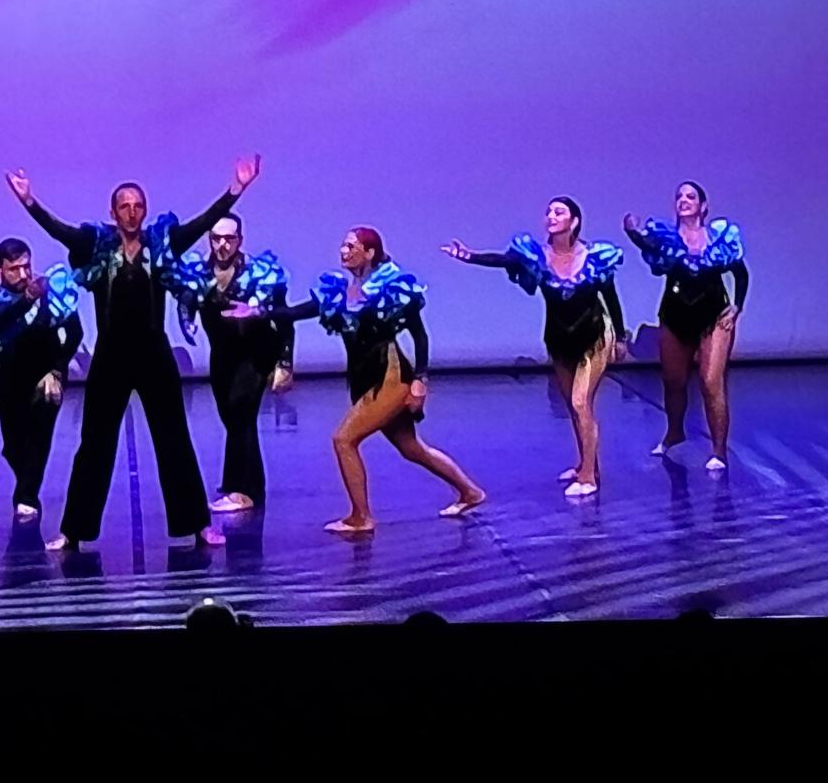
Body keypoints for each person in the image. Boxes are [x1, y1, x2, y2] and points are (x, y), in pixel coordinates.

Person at [7, 156, 263, 551]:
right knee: (94, 443)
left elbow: (199, 223)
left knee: (174, 438)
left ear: (145, 211)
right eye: (124, 206)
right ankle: (74, 531)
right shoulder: (95, 246)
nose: (131, 212)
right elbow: (59, 232)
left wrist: (236, 189)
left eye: (138, 206)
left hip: (154, 354)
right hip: (110, 357)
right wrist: (29, 202)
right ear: (112, 212)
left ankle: (197, 526)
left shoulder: (161, 243)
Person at [226, 226, 484, 533]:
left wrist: (420, 380)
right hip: (363, 378)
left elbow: (419, 335)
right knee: (412, 448)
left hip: (389, 376)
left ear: (370, 252)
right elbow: (295, 312)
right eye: (343, 245)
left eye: (351, 246)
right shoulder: (339, 292)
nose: (343, 251)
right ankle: (470, 492)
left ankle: (361, 517)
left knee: (344, 440)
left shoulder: (391, 287)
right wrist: (256, 311)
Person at [442, 196, 628, 497]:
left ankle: (589, 477)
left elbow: (611, 297)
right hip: (558, 338)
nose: (551, 216)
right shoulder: (535, 256)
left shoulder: (595, 257)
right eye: (548, 212)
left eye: (559, 212)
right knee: (573, 405)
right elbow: (503, 260)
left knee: (582, 403)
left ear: (574, 222)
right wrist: (468, 256)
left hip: (594, 335)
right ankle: (586, 463)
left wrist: (621, 337)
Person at [624, 181, 747, 470]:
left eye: (691, 196)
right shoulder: (666, 238)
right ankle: (674, 433)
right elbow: (648, 244)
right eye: (679, 196)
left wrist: (737, 306)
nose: (684, 200)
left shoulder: (720, 239)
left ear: (703, 206)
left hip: (714, 317)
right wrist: (632, 232)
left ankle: (719, 451)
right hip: (675, 317)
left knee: (710, 381)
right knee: (674, 382)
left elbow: (741, 274)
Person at [174, 215, 292, 513]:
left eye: (229, 238)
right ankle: (243, 481)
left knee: (241, 413)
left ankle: (244, 492)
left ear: (240, 239)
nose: (223, 245)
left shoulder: (260, 273)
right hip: (222, 356)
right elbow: (185, 300)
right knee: (234, 420)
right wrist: (186, 320)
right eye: (216, 238)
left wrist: (285, 363)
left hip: (257, 354)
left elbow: (284, 317)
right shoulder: (199, 273)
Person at [0, 239, 84, 520]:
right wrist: (26, 300)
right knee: (13, 446)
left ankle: (26, 495)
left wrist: (57, 369)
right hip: (9, 378)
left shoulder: (52, 293)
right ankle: (27, 484)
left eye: (26, 267)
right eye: (14, 269)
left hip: (47, 374)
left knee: (40, 435)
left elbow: (75, 333)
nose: (23, 275)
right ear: (1, 270)